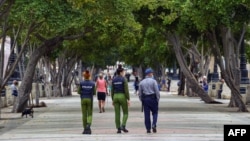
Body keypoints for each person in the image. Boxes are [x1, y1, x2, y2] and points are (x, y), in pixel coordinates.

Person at [139, 68, 160, 133]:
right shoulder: (154, 81)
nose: (152, 74)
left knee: (147, 114)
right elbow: (157, 91)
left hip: (146, 99)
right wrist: (157, 99)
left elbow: (140, 93)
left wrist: (142, 100)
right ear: (150, 74)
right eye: (152, 73)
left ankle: (148, 128)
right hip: (153, 98)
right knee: (155, 112)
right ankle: (154, 124)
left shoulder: (141, 82)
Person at [111, 64, 130, 133]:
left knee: (117, 113)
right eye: (123, 72)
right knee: (125, 113)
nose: (124, 73)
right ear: (121, 72)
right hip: (122, 96)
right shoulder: (124, 79)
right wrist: (128, 99)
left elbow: (112, 90)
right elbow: (126, 90)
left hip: (115, 96)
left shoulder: (114, 79)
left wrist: (112, 99)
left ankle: (118, 128)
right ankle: (123, 125)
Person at [78, 70, 96, 134]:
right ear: (89, 77)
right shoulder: (92, 83)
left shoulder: (81, 83)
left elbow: (78, 92)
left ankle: (85, 128)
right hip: (89, 99)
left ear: (84, 77)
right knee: (90, 113)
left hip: (83, 99)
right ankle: (88, 124)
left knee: (84, 114)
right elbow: (94, 92)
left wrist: (83, 92)